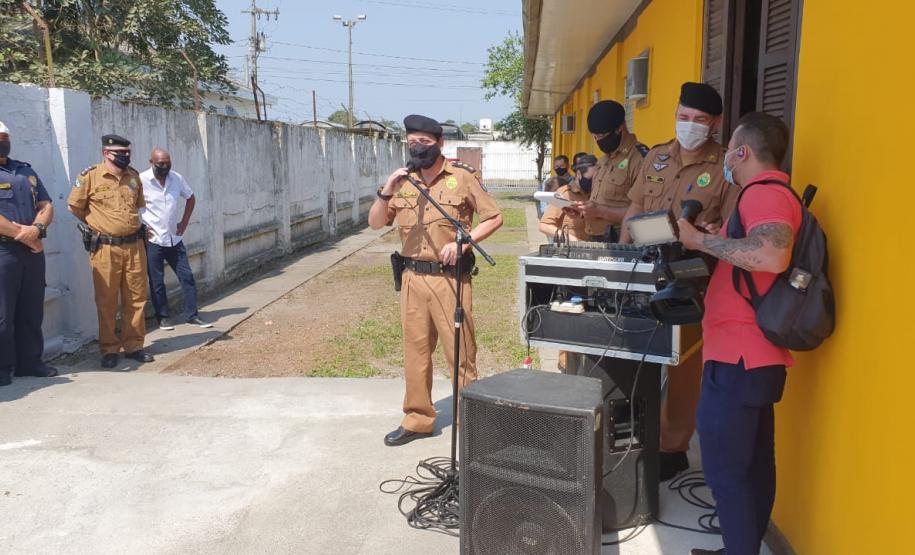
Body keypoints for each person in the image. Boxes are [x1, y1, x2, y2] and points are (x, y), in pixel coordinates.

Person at [677, 112, 800, 555]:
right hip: (753, 358)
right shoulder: (764, 198)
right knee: (751, 467)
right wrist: (721, 239)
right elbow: (755, 252)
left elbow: (771, 254)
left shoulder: (763, 193)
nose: (725, 154)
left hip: (740, 358)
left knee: (728, 471)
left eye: (729, 146)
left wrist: (700, 243)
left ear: (742, 152)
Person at [620, 82, 737, 481]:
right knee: (637, 355)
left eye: (699, 120)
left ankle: (672, 447)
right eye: (683, 117)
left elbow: (731, 226)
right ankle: (635, 436)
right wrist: (621, 255)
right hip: (643, 270)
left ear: (715, 123)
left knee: (684, 368)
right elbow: (635, 207)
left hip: (691, 281)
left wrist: (712, 229)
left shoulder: (724, 167)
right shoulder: (655, 156)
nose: (689, 125)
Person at [368, 114, 503, 446]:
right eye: (412, 143)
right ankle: (417, 418)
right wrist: (386, 191)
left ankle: (471, 422)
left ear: (440, 143)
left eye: (424, 143)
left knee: (460, 353)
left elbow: (494, 216)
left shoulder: (461, 177)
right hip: (412, 278)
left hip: (449, 282)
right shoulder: (403, 182)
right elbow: (374, 223)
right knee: (415, 353)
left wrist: (464, 241)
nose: (417, 149)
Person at [67, 134, 154, 369]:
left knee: (136, 298)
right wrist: (98, 223)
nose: (125, 157)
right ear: (106, 153)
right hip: (105, 248)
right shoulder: (89, 177)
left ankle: (134, 345)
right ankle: (109, 349)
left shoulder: (133, 177)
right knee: (106, 300)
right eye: (120, 153)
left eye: (127, 153)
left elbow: (137, 207)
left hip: (135, 246)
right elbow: (75, 206)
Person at [0, 121, 58, 386]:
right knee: (3, 313)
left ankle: (30, 362)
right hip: (5, 251)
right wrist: (25, 236)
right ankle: (3, 368)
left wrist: (36, 229)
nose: (4, 141)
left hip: (32, 250)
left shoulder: (25, 171)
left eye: (6, 137)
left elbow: (46, 205)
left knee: (31, 309)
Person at [139, 148, 211, 330]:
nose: (164, 166)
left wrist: (184, 222)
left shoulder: (176, 178)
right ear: (151, 162)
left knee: (187, 276)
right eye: (160, 163)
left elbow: (191, 197)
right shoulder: (141, 181)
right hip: (153, 241)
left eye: (167, 163)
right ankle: (163, 317)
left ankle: (192, 315)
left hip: (174, 239)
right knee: (156, 282)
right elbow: (130, 206)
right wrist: (140, 227)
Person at [567, 100, 648, 241]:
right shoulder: (604, 160)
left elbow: (645, 212)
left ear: (619, 128)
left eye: (602, 136)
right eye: (595, 136)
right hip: (595, 238)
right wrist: (582, 211)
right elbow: (599, 200)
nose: (598, 141)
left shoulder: (640, 159)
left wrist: (601, 212)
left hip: (622, 241)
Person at [538, 154, 595, 242]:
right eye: (591, 178)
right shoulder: (565, 193)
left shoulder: (596, 194)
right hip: (570, 250)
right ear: (579, 174)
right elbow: (545, 225)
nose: (595, 182)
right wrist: (577, 242)